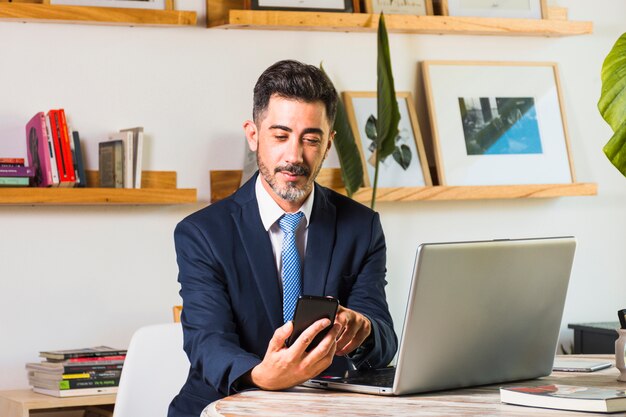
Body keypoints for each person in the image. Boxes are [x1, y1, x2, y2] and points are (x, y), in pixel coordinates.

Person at [168, 60, 398, 417]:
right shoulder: (202, 234)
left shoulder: (361, 226)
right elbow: (207, 342)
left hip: (325, 408)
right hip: (225, 407)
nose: (294, 156)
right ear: (253, 135)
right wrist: (263, 375)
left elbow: (384, 339)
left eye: (310, 139)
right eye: (280, 136)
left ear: (328, 144)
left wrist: (363, 330)